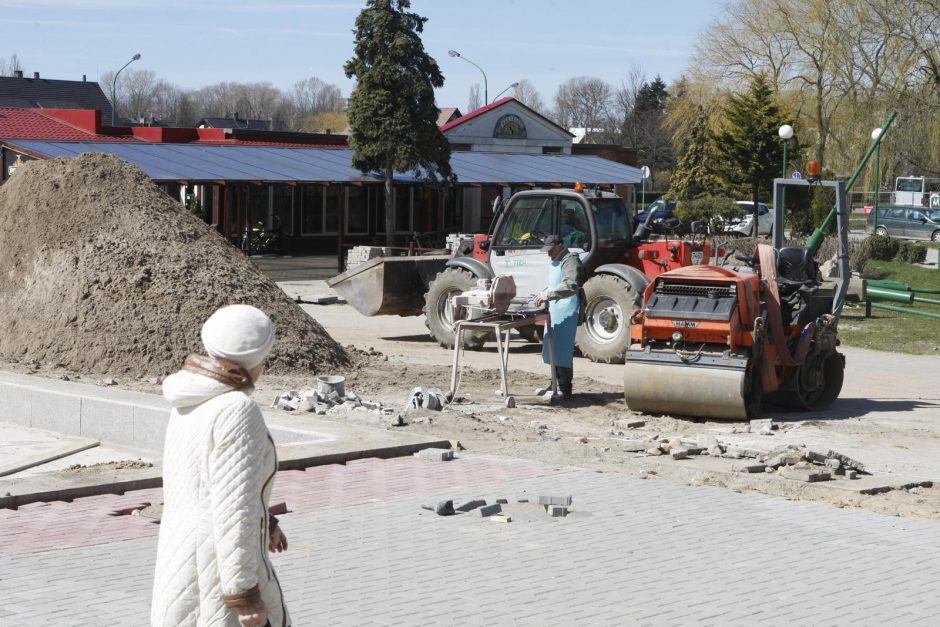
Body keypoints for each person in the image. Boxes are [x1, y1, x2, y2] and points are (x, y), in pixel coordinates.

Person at [151, 304, 290, 627]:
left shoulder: (190, 397)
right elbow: (233, 510)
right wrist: (244, 597)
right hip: (215, 570)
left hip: (181, 555)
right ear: (259, 356)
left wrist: (266, 522)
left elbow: (210, 484)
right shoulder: (237, 409)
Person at [533, 234, 584, 398]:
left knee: (563, 349)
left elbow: (570, 285)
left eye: (551, 250)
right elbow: (555, 283)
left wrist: (547, 294)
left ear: (560, 246)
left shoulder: (570, 260)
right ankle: (554, 383)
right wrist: (542, 293)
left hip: (567, 309)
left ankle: (564, 387)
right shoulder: (556, 260)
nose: (548, 254)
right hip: (556, 308)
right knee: (553, 347)